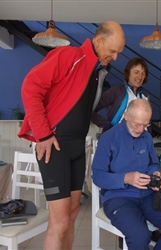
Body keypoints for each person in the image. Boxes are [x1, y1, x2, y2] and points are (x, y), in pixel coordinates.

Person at [18, 21, 125, 250]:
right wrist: (43, 134)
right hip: (55, 145)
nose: (115, 57)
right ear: (98, 41)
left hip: (78, 146)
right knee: (60, 220)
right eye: (113, 50)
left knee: (73, 213)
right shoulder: (69, 55)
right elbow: (30, 86)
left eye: (119, 52)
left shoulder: (98, 72)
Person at [92, 99, 161, 250]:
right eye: (137, 124)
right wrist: (125, 178)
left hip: (148, 195)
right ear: (126, 116)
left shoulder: (146, 137)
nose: (140, 129)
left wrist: (155, 173)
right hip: (119, 199)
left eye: (145, 125)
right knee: (140, 236)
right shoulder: (108, 138)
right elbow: (97, 176)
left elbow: (152, 163)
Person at [91, 57, 149, 132]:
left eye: (143, 74)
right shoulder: (116, 91)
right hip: (117, 139)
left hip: (138, 141)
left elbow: (147, 123)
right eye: (136, 72)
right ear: (128, 73)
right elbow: (91, 110)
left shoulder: (144, 96)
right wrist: (108, 127)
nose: (140, 77)